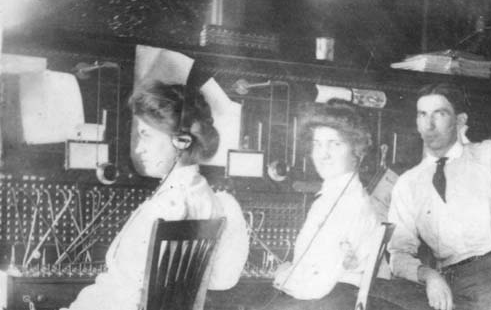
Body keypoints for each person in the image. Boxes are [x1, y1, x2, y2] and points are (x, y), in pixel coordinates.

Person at [64, 80, 249, 310]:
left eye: (146, 135)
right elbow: (223, 280)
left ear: (181, 140)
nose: (140, 148)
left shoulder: (163, 209)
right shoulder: (214, 202)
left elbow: (122, 295)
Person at [388, 82, 491, 310]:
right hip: (457, 284)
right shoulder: (407, 184)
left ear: (460, 120)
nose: (430, 124)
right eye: (422, 115)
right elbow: (398, 253)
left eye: (440, 114)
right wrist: (428, 276)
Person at [262, 99, 392, 310]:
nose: (323, 154)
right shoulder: (336, 196)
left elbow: (313, 287)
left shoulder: (346, 205)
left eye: (335, 144)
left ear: (356, 151)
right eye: (317, 144)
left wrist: (282, 274)